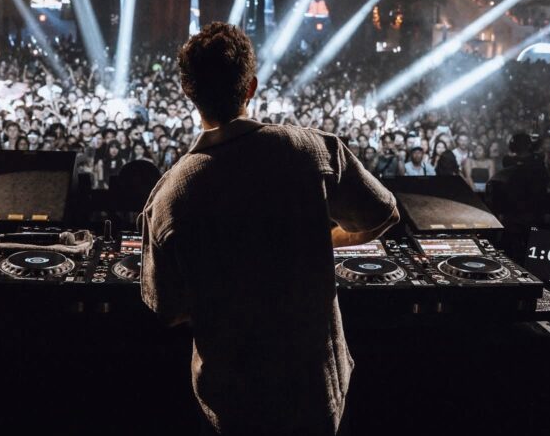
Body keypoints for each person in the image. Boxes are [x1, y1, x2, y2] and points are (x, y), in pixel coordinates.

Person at [141, 22, 398, 436]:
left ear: (188, 91)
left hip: (232, 403)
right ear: (251, 87)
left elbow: (167, 308)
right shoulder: (315, 151)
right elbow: (383, 213)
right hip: (317, 393)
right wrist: (319, 239)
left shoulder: (170, 196)